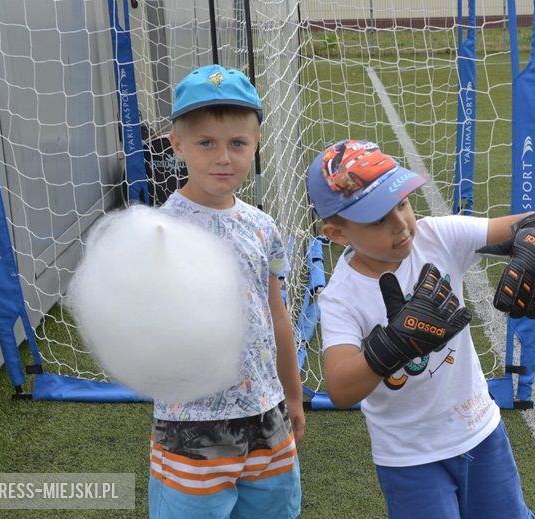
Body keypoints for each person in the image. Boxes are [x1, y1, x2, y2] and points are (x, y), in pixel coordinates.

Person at [306, 139, 535, 518]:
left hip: (479, 429)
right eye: (378, 218)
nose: (400, 224)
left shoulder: (436, 237)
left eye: (402, 203)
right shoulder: (341, 297)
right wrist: (395, 345)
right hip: (409, 456)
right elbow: (341, 387)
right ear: (339, 234)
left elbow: (523, 225)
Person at [148, 64, 304, 519]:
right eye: (206, 143)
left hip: (265, 414)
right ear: (177, 145)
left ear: (255, 146)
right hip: (191, 421)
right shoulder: (158, 230)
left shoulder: (263, 226)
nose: (223, 158)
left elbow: (277, 317)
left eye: (238, 143)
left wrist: (291, 396)